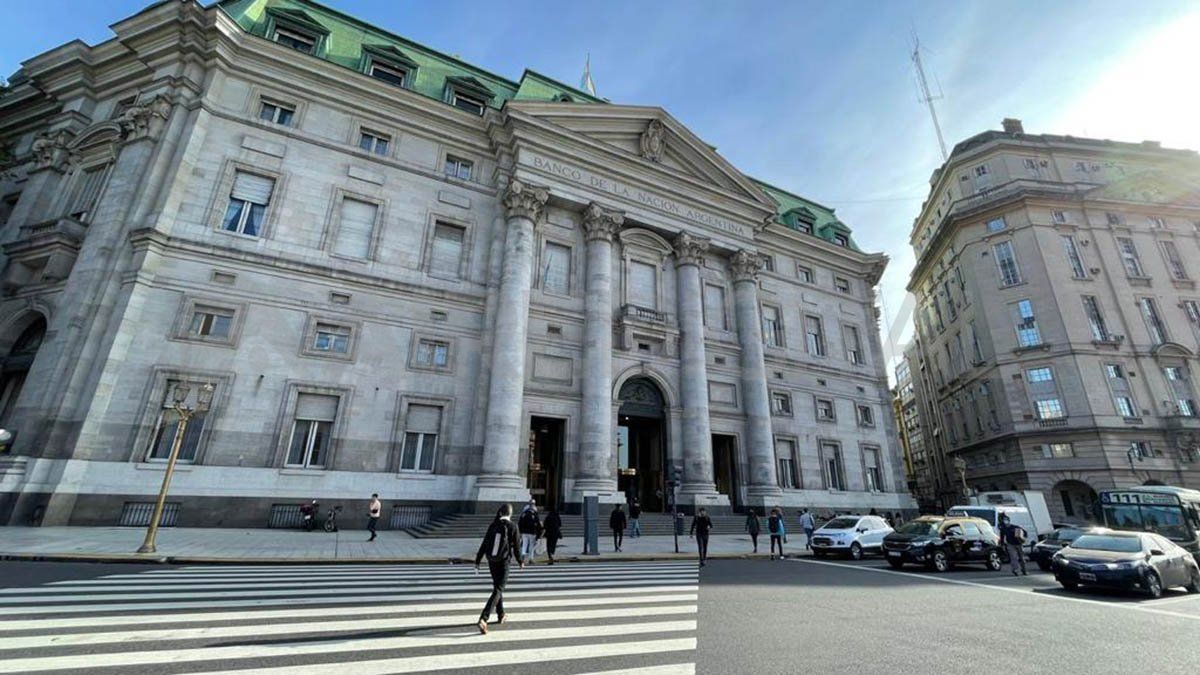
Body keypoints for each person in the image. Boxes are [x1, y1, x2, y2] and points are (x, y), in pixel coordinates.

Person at [474, 503, 521, 634]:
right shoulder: (513, 526)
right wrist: (520, 561)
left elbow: (484, 544)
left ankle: (501, 614)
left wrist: (477, 560)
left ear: (500, 513)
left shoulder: (493, 525)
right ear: (510, 514)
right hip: (504, 561)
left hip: (492, 560)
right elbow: (517, 547)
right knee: (499, 589)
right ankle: (484, 618)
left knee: (497, 588)